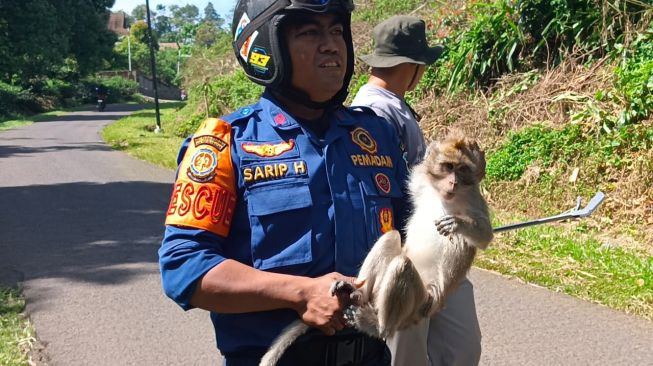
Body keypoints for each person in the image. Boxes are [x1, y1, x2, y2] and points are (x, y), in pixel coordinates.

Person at [158, 1, 409, 365]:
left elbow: (409, 235)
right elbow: (183, 266)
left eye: (336, 31)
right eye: (309, 32)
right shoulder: (224, 143)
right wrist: (300, 293)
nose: (330, 45)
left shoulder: (374, 134)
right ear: (266, 48)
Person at [351, 15, 483, 366]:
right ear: (409, 66)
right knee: (409, 351)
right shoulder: (374, 112)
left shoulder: (392, 106)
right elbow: (384, 190)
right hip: (408, 257)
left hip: (437, 248)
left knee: (458, 349)